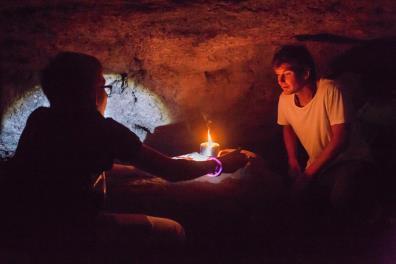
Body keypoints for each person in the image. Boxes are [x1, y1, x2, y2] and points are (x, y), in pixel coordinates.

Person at [0, 52, 248, 262]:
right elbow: (172, 172)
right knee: (173, 231)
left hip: (21, 226)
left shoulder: (41, 118)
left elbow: (71, 165)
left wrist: (138, 169)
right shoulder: (103, 130)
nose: (106, 93)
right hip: (70, 234)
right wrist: (218, 165)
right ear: (89, 93)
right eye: (102, 86)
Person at [272, 45, 375, 222]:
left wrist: (308, 175)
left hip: (349, 159)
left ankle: (371, 218)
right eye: (277, 75)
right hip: (320, 162)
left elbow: (340, 139)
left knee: (340, 198)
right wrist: (293, 160)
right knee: (298, 202)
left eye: (287, 74)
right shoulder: (285, 99)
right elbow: (286, 127)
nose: (281, 80)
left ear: (305, 73)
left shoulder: (330, 90)